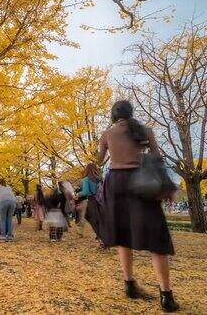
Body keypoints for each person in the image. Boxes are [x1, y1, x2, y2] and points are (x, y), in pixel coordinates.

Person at [96, 100, 179, 312]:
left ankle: (129, 284)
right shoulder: (145, 130)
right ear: (131, 113)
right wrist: (166, 188)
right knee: (157, 238)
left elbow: (99, 161)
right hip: (142, 183)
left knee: (123, 236)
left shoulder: (107, 133)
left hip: (116, 183)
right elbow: (158, 158)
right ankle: (166, 295)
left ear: (114, 115)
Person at [77, 163, 100, 238]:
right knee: (99, 217)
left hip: (92, 200)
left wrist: (78, 194)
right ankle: (100, 234)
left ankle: (99, 234)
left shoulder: (86, 179)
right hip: (101, 200)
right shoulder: (99, 178)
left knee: (89, 217)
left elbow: (86, 192)